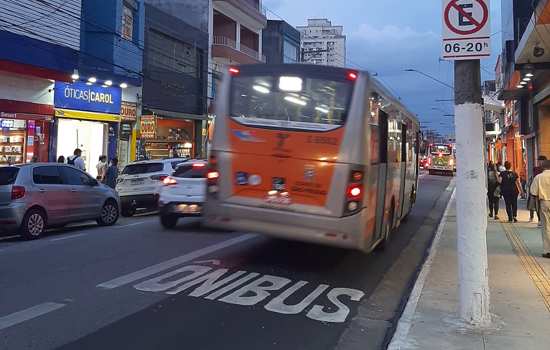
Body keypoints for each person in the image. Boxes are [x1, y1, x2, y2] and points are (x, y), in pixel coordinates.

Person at [530, 159, 550, 259]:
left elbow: (533, 192)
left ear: (543, 167)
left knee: (546, 227)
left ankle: (547, 251)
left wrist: (533, 207)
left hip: (544, 203)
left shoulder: (539, 177)